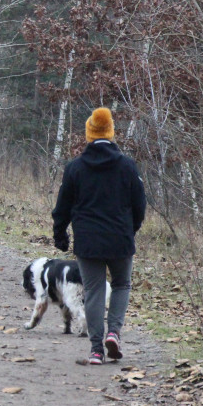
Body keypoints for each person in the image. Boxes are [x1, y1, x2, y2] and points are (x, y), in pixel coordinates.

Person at [51, 107, 147, 365]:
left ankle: (95, 350)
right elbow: (140, 205)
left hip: (88, 241)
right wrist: (132, 229)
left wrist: (60, 234)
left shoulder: (75, 168)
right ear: (111, 132)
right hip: (120, 239)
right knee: (121, 285)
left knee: (93, 291)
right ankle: (113, 333)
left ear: (89, 134)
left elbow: (62, 207)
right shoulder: (127, 166)